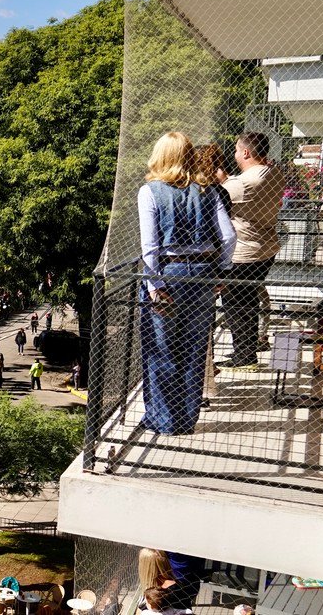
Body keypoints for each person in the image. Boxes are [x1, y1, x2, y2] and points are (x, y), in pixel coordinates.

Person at [138, 132, 236, 435]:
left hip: (168, 275)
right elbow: (229, 236)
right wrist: (222, 271)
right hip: (203, 275)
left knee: (161, 348)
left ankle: (163, 420)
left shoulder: (150, 191)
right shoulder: (209, 190)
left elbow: (150, 246)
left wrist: (154, 285)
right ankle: (185, 420)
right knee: (194, 349)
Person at [217, 132, 283, 368]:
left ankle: (244, 357)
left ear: (246, 152)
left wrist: (221, 180)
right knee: (249, 300)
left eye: (236, 149)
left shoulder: (241, 184)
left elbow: (217, 198)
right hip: (266, 248)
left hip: (244, 252)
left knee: (235, 305)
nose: (234, 154)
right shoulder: (274, 173)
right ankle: (248, 351)